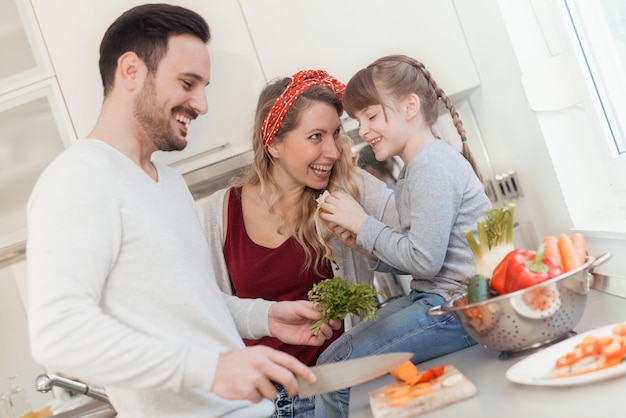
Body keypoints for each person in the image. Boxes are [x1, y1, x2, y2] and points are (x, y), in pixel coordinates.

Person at [26, 5, 339, 418]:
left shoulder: (168, 184)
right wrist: (212, 369)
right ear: (132, 71)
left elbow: (195, 306)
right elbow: (58, 334)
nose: (202, 104)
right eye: (188, 83)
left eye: (204, 86)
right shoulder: (79, 180)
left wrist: (267, 316)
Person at [202, 70, 400, 417]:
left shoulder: (352, 189)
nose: (334, 150)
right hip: (259, 405)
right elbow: (206, 310)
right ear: (274, 143)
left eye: (336, 133)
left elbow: (418, 252)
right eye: (316, 136)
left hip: (338, 394)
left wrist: (365, 234)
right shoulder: (220, 211)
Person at [315, 55, 492, 417]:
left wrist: (363, 223)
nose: (362, 131)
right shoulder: (417, 168)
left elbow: (423, 260)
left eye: (371, 116)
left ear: (410, 106)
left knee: (332, 374)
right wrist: (361, 243)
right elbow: (419, 255)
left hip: (456, 310)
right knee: (329, 365)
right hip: (435, 299)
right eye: (358, 120)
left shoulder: (432, 165)